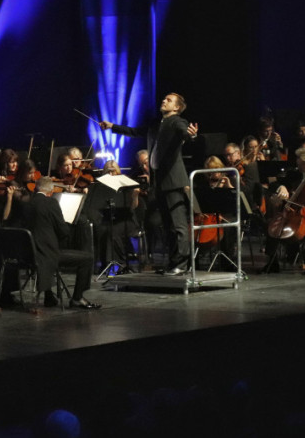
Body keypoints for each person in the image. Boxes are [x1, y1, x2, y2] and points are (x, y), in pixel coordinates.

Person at [100, 93, 199, 275]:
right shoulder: (156, 124)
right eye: (164, 98)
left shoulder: (177, 121)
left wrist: (190, 136)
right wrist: (112, 126)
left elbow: (184, 131)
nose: (164, 100)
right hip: (160, 182)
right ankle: (172, 263)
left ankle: (182, 264)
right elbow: (136, 131)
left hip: (174, 182)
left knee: (178, 225)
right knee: (167, 225)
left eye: (169, 100)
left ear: (176, 108)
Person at [26, 177, 100, 309]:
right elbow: (63, 231)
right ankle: (77, 298)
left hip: (29, 255)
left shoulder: (26, 203)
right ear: (51, 191)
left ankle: (49, 296)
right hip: (47, 254)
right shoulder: (51, 203)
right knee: (87, 258)